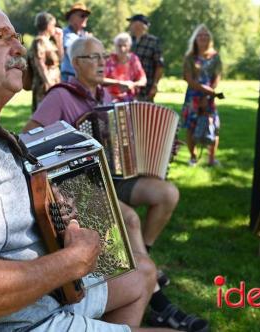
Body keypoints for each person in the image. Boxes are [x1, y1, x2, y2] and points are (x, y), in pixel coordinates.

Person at [0, 1, 177, 331]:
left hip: (38, 299)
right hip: (25, 321)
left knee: (142, 272)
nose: (18, 47)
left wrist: (57, 218)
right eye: (1, 36)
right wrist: (71, 261)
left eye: (16, 36)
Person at [24, 36, 209, 332]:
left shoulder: (106, 97)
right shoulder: (60, 96)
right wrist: (68, 153)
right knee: (131, 218)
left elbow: (126, 139)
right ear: (75, 63)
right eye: (92, 58)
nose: (101, 63)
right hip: (78, 187)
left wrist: (159, 148)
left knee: (167, 192)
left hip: (114, 176)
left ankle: (142, 260)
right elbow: (28, 139)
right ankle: (158, 301)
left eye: (103, 56)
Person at [181, 24, 222, 167]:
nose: (203, 37)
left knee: (213, 126)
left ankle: (212, 158)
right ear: (195, 39)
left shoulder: (215, 57)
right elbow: (188, 78)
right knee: (191, 127)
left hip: (210, 96)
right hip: (193, 96)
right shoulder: (190, 57)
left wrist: (209, 95)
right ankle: (193, 157)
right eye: (200, 35)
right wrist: (207, 92)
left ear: (209, 38)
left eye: (206, 35)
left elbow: (217, 76)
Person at [28, 11, 63, 112]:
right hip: (44, 85)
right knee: (45, 114)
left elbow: (61, 59)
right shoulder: (39, 41)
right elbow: (40, 64)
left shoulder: (50, 42)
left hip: (55, 82)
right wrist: (48, 84)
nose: (55, 27)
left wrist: (59, 40)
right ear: (48, 25)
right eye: (53, 24)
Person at [128, 14, 163, 102]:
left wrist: (155, 86)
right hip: (128, 89)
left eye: (131, 23)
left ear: (138, 25)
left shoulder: (153, 42)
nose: (130, 26)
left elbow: (159, 65)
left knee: (145, 114)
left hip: (146, 90)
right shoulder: (128, 41)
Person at [104, 32, 146, 102]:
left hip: (130, 99)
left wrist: (132, 84)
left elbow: (143, 80)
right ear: (115, 46)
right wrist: (118, 83)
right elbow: (100, 79)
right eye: (119, 46)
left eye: (125, 45)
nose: (122, 49)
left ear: (129, 46)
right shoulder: (109, 60)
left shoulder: (134, 59)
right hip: (111, 99)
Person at [60, 2, 90, 82]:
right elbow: (72, 51)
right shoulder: (65, 34)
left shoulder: (83, 35)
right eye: (82, 15)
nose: (85, 18)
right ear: (71, 18)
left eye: (86, 16)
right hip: (69, 76)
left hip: (82, 77)